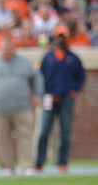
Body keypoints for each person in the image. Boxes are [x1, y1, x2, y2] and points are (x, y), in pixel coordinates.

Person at [0, 36, 43, 176]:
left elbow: (37, 78)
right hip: (0, 108)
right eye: (3, 48)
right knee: (2, 137)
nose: (6, 51)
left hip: (22, 106)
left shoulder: (25, 63)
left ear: (14, 48)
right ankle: (6, 166)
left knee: (25, 136)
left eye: (8, 48)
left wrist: (37, 95)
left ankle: (27, 165)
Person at [35, 24, 86, 174]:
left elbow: (81, 77)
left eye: (63, 36)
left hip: (66, 99)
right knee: (43, 131)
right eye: (59, 36)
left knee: (65, 132)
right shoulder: (48, 57)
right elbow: (40, 77)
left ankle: (62, 162)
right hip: (49, 97)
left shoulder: (73, 58)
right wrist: (43, 93)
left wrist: (73, 91)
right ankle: (39, 162)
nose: (61, 39)